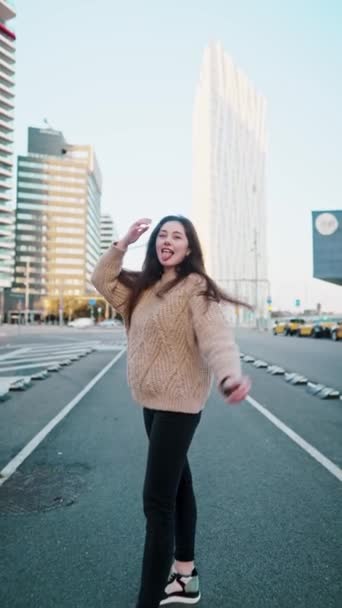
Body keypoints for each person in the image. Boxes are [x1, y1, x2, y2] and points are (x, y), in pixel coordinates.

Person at [91, 215, 251, 608]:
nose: (167, 240)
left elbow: (217, 337)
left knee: (156, 502)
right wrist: (122, 242)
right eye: (163, 235)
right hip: (151, 402)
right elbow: (100, 280)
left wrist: (229, 375)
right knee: (179, 487)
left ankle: (147, 601)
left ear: (189, 248)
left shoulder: (195, 287)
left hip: (179, 405)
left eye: (177, 236)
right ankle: (185, 576)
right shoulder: (141, 288)